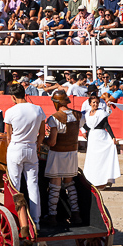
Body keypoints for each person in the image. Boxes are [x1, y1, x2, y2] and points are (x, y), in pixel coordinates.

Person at [4, 83, 46, 230]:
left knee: (15, 186)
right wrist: (37, 145)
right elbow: (42, 134)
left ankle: (18, 222)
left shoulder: (10, 111)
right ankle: (36, 222)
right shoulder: (38, 109)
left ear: (13, 97)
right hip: (32, 148)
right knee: (33, 185)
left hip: (16, 148)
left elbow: (8, 136)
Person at [42, 90, 82, 227]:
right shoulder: (78, 115)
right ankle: (76, 214)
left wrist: (44, 140)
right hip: (72, 153)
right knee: (70, 183)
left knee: (55, 184)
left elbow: (52, 142)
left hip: (57, 154)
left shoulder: (54, 118)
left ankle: (52, 215)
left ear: (56, 103)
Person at [82, 95, 121, 188]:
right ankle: (93, 180)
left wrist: (113, 137)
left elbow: (107, 125)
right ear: (90, 103)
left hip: (101, 137)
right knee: (93, 159)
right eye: (94, 102)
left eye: (97, 102)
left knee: (102, 159)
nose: (95, 104)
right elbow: (87, 126)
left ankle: (103, 181)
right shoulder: (87, 114)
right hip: (92, 138)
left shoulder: (102, 113)